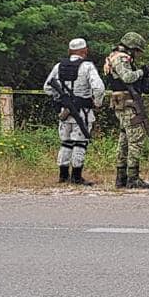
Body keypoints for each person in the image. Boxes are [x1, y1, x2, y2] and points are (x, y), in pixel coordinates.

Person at [43, 38, 105, 186]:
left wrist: (61, 98)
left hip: (65, 112)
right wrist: (97, 103)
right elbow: (99, 87)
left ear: (70, 51)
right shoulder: (87, 66)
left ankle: (63, 175)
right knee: (80, 143)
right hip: (82, 111)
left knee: (65, 142)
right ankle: (77, 177)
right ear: (85, 51)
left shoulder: (59, 66)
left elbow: (47, 87)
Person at [104, 31, 149, 189]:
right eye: (137, 51)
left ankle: (121, 177)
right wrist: (143, 72)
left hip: (125, 102)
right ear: (132, 47)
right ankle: (132, 178)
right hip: (127, 103)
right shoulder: (120, 58)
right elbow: (127, 77)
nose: (138, 54)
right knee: (136, 139)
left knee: (125, 140)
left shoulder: (114, 56)